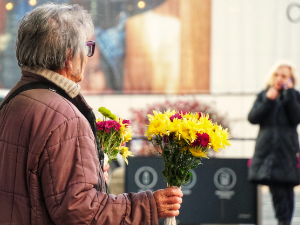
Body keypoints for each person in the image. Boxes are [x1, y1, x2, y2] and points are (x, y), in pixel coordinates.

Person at [0, 3, 182, 224]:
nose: (87, 57)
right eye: (87, 47)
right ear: (69, 53)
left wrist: (92, 179)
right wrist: (150, 206)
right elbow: (81, 212)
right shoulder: (64, 118)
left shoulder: (14, 101)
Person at [248, 60, 300, 225]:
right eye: (277, 75)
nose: (279, 78)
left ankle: (285, 222)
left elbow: (296, 118)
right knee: (277, 189)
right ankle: (283, 222)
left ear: (291, 79)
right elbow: (253, 118)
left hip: (288, 151)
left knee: (288, 190)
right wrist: (268, 101)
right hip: (268, 151)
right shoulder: (264, 94)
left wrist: (290, 94)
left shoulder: (294, 95)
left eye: (284, 76)